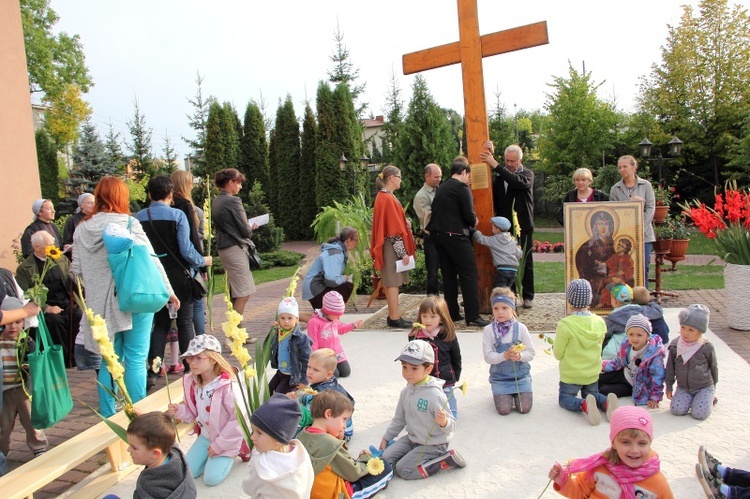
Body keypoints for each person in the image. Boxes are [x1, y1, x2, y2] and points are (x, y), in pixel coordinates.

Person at [72, 176, 177, 417]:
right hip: (134, 298)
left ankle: (109, 415)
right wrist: (169, 291)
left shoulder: (81, 230)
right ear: (121, 197)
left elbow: (75, 270)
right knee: (136, 358)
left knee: (109, 359)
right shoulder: (128, 224)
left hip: (99, 305)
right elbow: (151, 261)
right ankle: (138, 414)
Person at [136, 176, 211, 390]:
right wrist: (202, 261)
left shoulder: (138, 217)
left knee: (160, 324)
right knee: (185, 322)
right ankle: (190, 370)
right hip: (178, 274)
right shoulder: (177, 215)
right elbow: (186, 249)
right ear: (170, 195)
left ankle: (153, 371)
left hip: (153, 275)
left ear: (149, 194)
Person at [167, 335, 250, 486]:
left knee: (211, 479)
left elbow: (239, 419)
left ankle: (238, 448)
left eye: (198, 358)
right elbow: (195, 413)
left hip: (225, 438)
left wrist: (218, 446)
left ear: (213, 359)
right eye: (190, 358)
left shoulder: (228, 385)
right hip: (206, 435)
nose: (192, 363)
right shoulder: (193, 382)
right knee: (188, 472)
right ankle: (213, 454)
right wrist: (179, 410)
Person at [379, 340, 465, 480]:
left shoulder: (435, 395)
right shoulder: (406, 392)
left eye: (414, 368)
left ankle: (444, 460)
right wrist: (387, 437)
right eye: (404, 367)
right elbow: (399, 419)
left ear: (428, 369)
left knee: (403, 470)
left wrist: (444, 422)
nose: (407, 373)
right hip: (412, 439)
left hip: (433, 444)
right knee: (386, 458)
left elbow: (452, 425)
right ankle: (414, 455)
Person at [548, 406, 674, 498]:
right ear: (614, 443)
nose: (634, 450)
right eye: (626, 442)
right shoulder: (600, 469)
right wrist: (563, 480)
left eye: (642, 443)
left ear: (650, 443)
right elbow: (581, 494)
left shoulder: (657, 483)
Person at [426, 157, 490, 327]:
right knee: (468, 274)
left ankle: (452, 313)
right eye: (468, 175)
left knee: (449, 275)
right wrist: (474, 221)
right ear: (463, 172)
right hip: (456, 236)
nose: (469, 179)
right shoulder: (462, 188)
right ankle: (473, 316)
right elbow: (469, 216)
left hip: (438, 237)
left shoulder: (443, 187)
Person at [297, 389, 393, 498]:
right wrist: (365, 458)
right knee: (385, 467)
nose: (344, 426)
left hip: (310, 492)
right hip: (336, 494)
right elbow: (354, 473)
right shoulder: (331, 444)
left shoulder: (302, 436)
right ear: (328, 414)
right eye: (344, 419)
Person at [554, 279, 617, 426]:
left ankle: (583, 405)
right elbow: (599, 346)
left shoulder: (565, 325)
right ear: (590, 299)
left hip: (571, 374)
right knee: (592, 394)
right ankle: (606, 402)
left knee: (565, 399)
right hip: (592, 373)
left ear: (569, 300)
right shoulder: (600, 322)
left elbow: (558, 353)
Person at [480, 141, 535, 308]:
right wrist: (490, 153)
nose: (510, 164)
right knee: (505, 262)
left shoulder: (527, 174)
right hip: (505, 229)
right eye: (507, 161)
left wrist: (495, 164)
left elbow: (516, 181)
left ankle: (528, 296)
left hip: (523, 226)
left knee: (525, 261)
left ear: (520, 160)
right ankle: (509, 296)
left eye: (513, 161)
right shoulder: (500, 176)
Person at [15, 230, 81, 367]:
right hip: (45, 304)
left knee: (77, 314)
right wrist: (46, 308)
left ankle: (75, 356)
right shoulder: (25, 268)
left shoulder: (60, 259)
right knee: (55, 321)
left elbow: (72, 278)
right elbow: (25, 293)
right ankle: (60, 358)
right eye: (49, 245)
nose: (53, 248)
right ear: (37, 247)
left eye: (53, 244)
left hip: (66, 300)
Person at [0, 297, 48, 460]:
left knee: (31, 420)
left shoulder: (27, 341)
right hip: (4, 391)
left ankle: (38, 446)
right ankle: (2, 449)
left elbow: (34, 364)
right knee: (3, 425)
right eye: (8, 323)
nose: (12, 327)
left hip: (23, 389)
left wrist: (28, 365)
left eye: (18, 322)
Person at [370, 165, 416, 329]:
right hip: (391, 245)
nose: (400, 180)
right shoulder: (387, 198)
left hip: (388, 244)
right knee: (392, 281)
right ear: (391, 178)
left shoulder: (384, 196)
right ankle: (394, 317)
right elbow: (393, 230)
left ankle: (394, 315)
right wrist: (402, 252)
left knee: (392, 281)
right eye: (399, 177)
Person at [242, 393, 315, 498]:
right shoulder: (301, 454)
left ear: (278, 439)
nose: (252, 437)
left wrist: (255, 455)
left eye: (259, 432)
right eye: (253, 431)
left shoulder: (262, 465)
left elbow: (248, 488)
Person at [212, 168, 258, 318]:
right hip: (234, 247)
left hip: (224, 247)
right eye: (238, 183)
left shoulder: (216, 200)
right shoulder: (233, 200)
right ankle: (234, 334)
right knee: (244, 292)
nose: (240, 187)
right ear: (230, 182)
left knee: (236, 292)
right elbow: (245, 230)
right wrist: (251, 227)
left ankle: (236, 331)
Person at [483, 287, 536, 415]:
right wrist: (504, 355)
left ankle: (518, 394)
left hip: (521, 377)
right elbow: (488, 356)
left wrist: (520, 356)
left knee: (524, 408)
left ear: (512, 308)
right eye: (496, 308)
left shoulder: (521, 328)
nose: (500, 312)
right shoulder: (489, 330)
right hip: (500, 379)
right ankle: (503, 394)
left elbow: (531, 352)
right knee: (503, 410)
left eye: (504, 308)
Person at [408, 295, 462, 418]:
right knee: (421, 411)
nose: (428, 320)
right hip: (423, 382)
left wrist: (455, 375)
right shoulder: (415, 336)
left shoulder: (448, 335)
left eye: (433, 316)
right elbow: (410, 360)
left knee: (451, 415)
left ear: (441, 318)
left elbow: (456, 357)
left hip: (445, 381)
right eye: (424, 316)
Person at [125, 411, 197, 499]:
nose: (128, 450)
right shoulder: (175, 454)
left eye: (134, 447)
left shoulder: (148, 484)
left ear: (155, 453)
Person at [600, 314, 666, 408]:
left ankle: (606, 403)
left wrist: (655, 397)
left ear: (648, 335)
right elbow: (619, 361)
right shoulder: (626, 344)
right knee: (597, 380)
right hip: (624, 373)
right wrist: (603, 365)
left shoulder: (654, 354)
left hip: (635, 385)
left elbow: (657, 376)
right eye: (631, 334)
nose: (634, 338)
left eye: (639, 335)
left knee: (604, 390)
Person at [665, 304, 717, 420]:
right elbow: (670, 368)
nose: (685, 333)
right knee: (677, 410)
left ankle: (708, 398)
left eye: (691, 330)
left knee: (699, 414)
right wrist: (669, 386)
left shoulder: (706, 347)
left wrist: (714, 386)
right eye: (683, 327)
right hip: (683, 387)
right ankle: (693, 400)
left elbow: (713, 367)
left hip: (703, 386)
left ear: (700, 331)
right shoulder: (675, 346)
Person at [171, 170, 207, 337]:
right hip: (189, 259)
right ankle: (201, 337)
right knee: (197, 301)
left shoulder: (169, 204)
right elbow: (193, 238)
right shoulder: (185, 205)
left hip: (171, 261)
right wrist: (203, 264)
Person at [610, 155, 656, 284]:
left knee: (643, 267)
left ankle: (643, 297)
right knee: (624, 268)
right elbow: (614, 212)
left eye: (625, 166)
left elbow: (651, 208)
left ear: (634, 167)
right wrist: (629, 202)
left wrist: (641, 228)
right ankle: (624, 297)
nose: (622, 169)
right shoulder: (615, 189)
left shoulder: (645, 185)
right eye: (619, 167)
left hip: (644, 235)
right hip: (624, 235)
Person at [293, 348, 355, 441]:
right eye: (309, 367)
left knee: (297, 432)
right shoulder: (331, 383)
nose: (310, 371)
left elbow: (307, 417)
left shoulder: (322, 395)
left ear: (328, 374)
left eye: (316, 370)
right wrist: (301, 398)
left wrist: (293, 404)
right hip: (344, 426)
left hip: (341, 433)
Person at [306, 291, 363, 378]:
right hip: (324, 356)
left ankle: (334, 365)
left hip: (337, 353)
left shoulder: (334, 320)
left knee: (345, 372)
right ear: (327, 311)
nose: (338, 318)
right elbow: (313, 343)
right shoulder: (314, 322)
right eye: (336, 315)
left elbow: (341, 329)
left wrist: (353, 325)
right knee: (334, 375)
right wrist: (316, 359)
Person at [302, 226, 359, 311]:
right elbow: (331, 280)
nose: (357, 243)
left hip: (315, 287)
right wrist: (344, 278)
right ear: (348, 240)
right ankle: (295, 317)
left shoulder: (336, 250)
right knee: (347, 286)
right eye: (356, 240)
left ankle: (332, 318)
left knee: (323, 316)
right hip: (315, 288)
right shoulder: (336, 253)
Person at [269, 297, 312, 394]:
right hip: (281, 371)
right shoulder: (279, 332)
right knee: (270, 389)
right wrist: (275, 327)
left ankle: (291, 395)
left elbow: (307, 360)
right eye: (282, 318)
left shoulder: (300, 338)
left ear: (297, 319)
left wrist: (304, 380)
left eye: (290, 318)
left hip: (291, 375)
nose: (286, 321)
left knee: (280, 395)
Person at [413, 163, 443, 295]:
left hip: (444, 235)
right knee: (433, 271)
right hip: (431, 236)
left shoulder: (440, 189)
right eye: (436, 177)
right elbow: (428, 220)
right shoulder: (421, 196)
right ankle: (432, 300)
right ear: (427, 176)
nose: (439, 179)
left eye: (440, 176)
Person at [576, 210, 616, 308]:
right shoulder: (586, 248)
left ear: (611, 226)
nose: (603, 227)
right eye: (600, 224)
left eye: (606, 224)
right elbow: (583, 273)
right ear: (594, 226)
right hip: (596, 283)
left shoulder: (616, 246)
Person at [473, 216, 523, 290]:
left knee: (498, 291)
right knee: (507, 290)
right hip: (513, 270)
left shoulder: (494, 240)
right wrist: (519, 249)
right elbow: (519, 255)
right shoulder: (512, 240)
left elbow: (481, 239)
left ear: (497, 229)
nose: (491, 229)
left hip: (502, 269)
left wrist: (474, 230)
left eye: (492, 227)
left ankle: (498, 301)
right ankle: (508, 301)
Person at [603, 283, 642, 361]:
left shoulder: (613, 318)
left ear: (615, 301)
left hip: (615, 354)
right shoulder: (640, 311)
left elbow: (605, 334)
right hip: (636, 350)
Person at [595, 237, 636, 309]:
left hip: (621, 278)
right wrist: (601, 263)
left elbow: (630, 270)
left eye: (622, 246)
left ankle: (610, 303)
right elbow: (608, 263)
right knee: (605, 288)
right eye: (619, 244)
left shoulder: (627, 258)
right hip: (612, 276)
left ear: (626, 249)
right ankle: (603, 302)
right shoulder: (614, 256)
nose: (619, 247)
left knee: (612, 288)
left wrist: (624, 272)